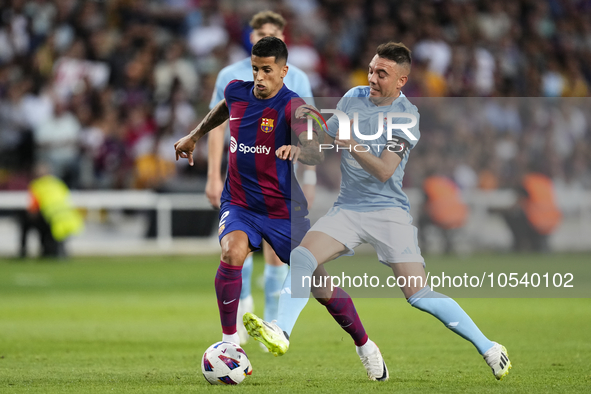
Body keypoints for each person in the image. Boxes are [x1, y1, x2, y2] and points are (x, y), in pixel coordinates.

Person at [243, 42, 512, 382]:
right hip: (348, 209)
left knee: (418, 295)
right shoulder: (352, 97)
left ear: (401, 80)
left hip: (389, 213)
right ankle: (281, 330)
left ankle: (489, 347)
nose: (372, 78)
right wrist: (301, 144)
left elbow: (385, 170)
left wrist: (352, 142)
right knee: (302, 257)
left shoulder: (407, 115)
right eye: (371, 69)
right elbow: (326, 139)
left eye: (381, 74)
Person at [174, 36, 323, 347]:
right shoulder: (236, 89)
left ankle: (364, 344)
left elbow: (315, 147)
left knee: (318, 281)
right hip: (241, 202)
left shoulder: (295, 103)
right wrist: (195, 134)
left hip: (281, 205)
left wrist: (299, 150)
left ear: (284, 70)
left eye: (266, 69)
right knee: (232, 252)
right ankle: (231, 341)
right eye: (255, 68)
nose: (258, 76)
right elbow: (225, 106)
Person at [206, 10, 317, 345]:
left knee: (277, 254)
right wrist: (213, 175)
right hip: (242, 177)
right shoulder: (232, 76)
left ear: (283, 36)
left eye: (271, 32)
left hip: (280, 180)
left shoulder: (296, 77)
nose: (263, 37)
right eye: (258, 33)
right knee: (237, 247)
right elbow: (216, 125)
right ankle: (242, 311)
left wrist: (308, 178)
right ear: (250, 37)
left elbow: (309, 133)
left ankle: (271, 320)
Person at [20, 164, 84, 258]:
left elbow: (34, 207)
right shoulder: (58, 183)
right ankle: (60, 254)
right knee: (60, 239)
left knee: (49, 236)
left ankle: (43, 253)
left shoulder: (36, 186)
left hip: (52, 215)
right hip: (68, 215)